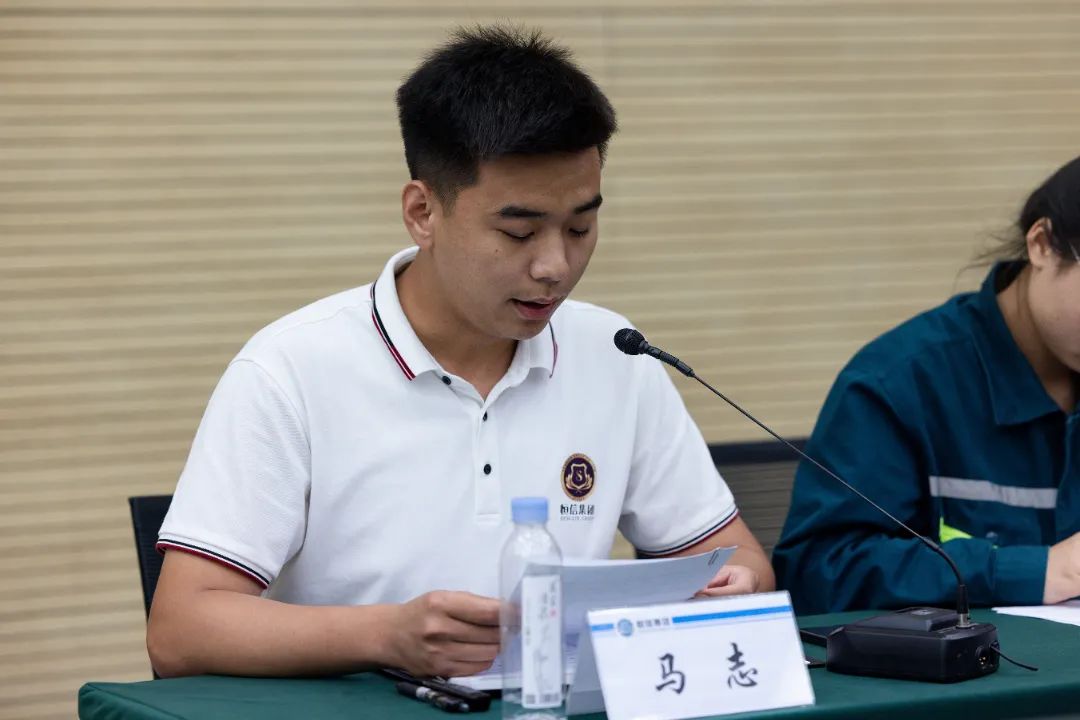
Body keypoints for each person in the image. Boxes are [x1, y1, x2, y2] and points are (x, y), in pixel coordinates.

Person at [147, 25, 774, 680]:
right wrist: (386, 635)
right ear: (423, 212)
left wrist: (736, 586)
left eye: (581, 226)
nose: (556, 266)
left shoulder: (614, 354)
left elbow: (737, 557)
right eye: (520, 232)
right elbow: (180, 630)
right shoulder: (292, 371)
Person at [773, 155, 1080, 615]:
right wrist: (1039, 571)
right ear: (1042, 245)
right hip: (980, 661)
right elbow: (819, 571)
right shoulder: (899, 382)